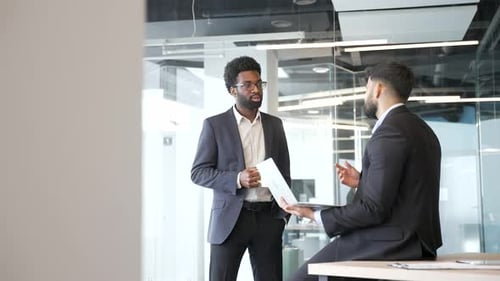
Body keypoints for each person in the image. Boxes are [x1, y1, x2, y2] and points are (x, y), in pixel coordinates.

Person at [280, 61, 442, 281]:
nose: (365, 95)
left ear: (377, 89)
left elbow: (373, 209)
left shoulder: (389, 132)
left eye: (366, 89)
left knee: (301, 279)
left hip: (392, 243)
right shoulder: (421, 129)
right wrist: (363, 182)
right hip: (417, 241)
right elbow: (409, 187)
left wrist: (315, 215)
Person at [191, 56, 291, 281]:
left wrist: (282, 217)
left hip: (268, 219)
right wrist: (237, 178)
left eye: (258, 83)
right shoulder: (214, 125)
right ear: (232, 90)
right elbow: (198, 172)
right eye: (247, 85)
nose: (256, 89)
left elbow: (285, 173)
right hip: (230, 220)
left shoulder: (275, 125)